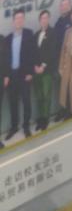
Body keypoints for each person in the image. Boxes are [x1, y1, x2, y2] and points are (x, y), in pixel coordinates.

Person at [5, 10, 35, 139]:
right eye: (17, 18)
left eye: (21, 18)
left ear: (23, 20)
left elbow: (33, 54)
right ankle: (14, 127)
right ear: (13, 21)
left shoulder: (29, 34)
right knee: (13, 103)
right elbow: (5, 59)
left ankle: (26, 126)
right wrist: (6, 75)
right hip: (12, 76)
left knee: (26, 101)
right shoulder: (7, 39)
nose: (19, 20)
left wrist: (31, 72)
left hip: (24, 75)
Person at [32, 10, 57, 133]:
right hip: (36, 71)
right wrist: (35, 66)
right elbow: (33, 52)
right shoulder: (36, 34)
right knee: (39, 96)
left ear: (49, 19)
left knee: (46, 96)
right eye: (42, 18)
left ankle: (45, 119)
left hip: (47, 71)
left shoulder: (53, 33)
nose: (44, 20)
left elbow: (52, 52)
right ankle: (40, 118)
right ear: (39, 20)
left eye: (46, 17)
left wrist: (43, 66)